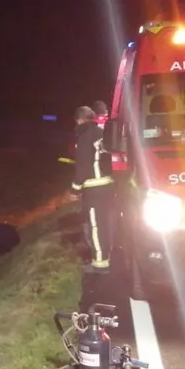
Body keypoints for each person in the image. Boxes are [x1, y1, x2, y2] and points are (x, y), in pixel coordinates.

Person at [70, 106, 115, 274]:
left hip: (94, 189)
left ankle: (100, 263)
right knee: (106, 224)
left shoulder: (84, 136)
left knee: (96, 226)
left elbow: (83, 165)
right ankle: (106, 255)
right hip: (108, 186)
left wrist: (74, 189)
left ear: (79, 120)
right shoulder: (101, 133)